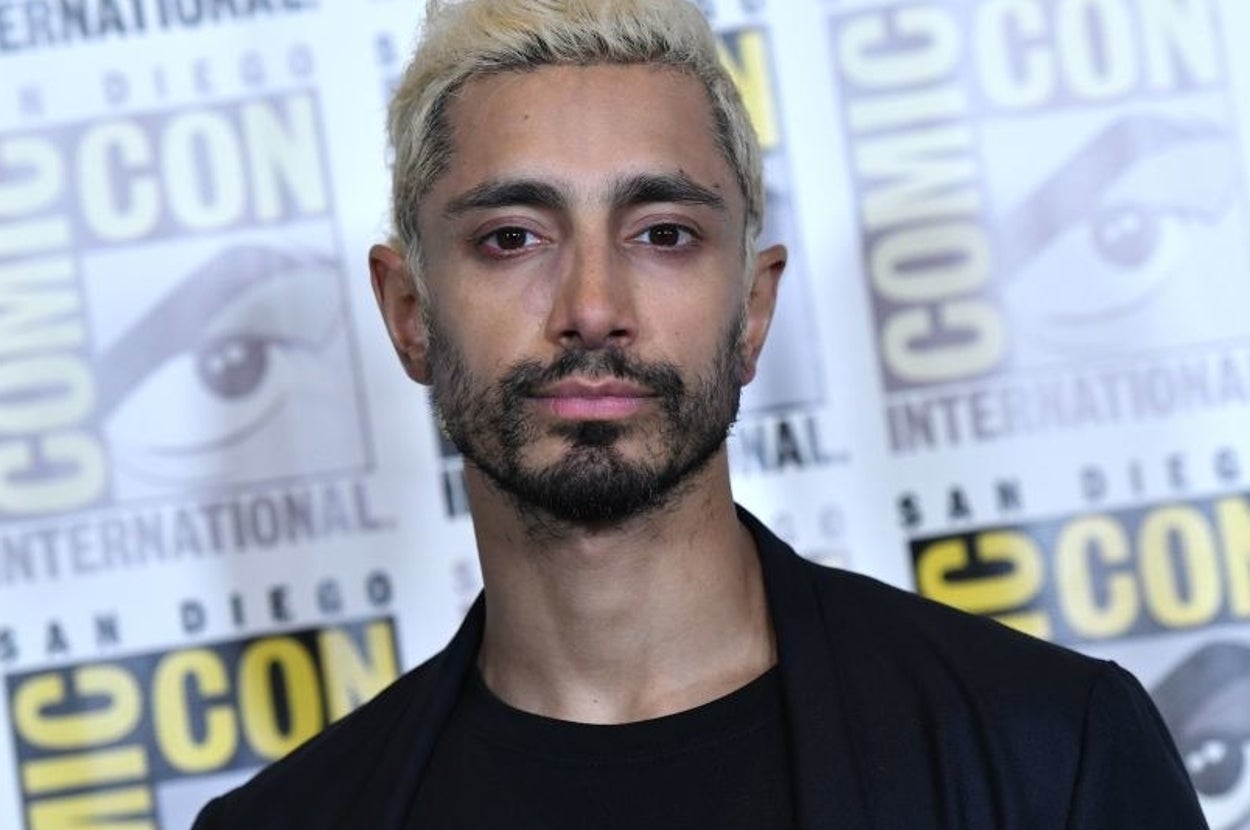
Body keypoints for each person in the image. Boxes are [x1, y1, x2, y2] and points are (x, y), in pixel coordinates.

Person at [192, 0, 1208, 827]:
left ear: (752, 310)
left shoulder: (1053, 753)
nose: (593, 306)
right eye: (511, 237)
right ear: (410, 314)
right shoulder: (287, 820)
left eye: (664, 233)